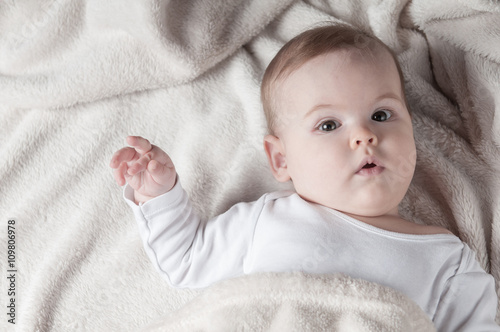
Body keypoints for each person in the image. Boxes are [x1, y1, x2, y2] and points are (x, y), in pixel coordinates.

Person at [110, 24, 499, 330]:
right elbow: (187, 260)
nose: (364, 135)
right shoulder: (268, 220)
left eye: (381, 115)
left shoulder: (446, 262)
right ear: (281, 159)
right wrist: (159, 195)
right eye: (329, 124)